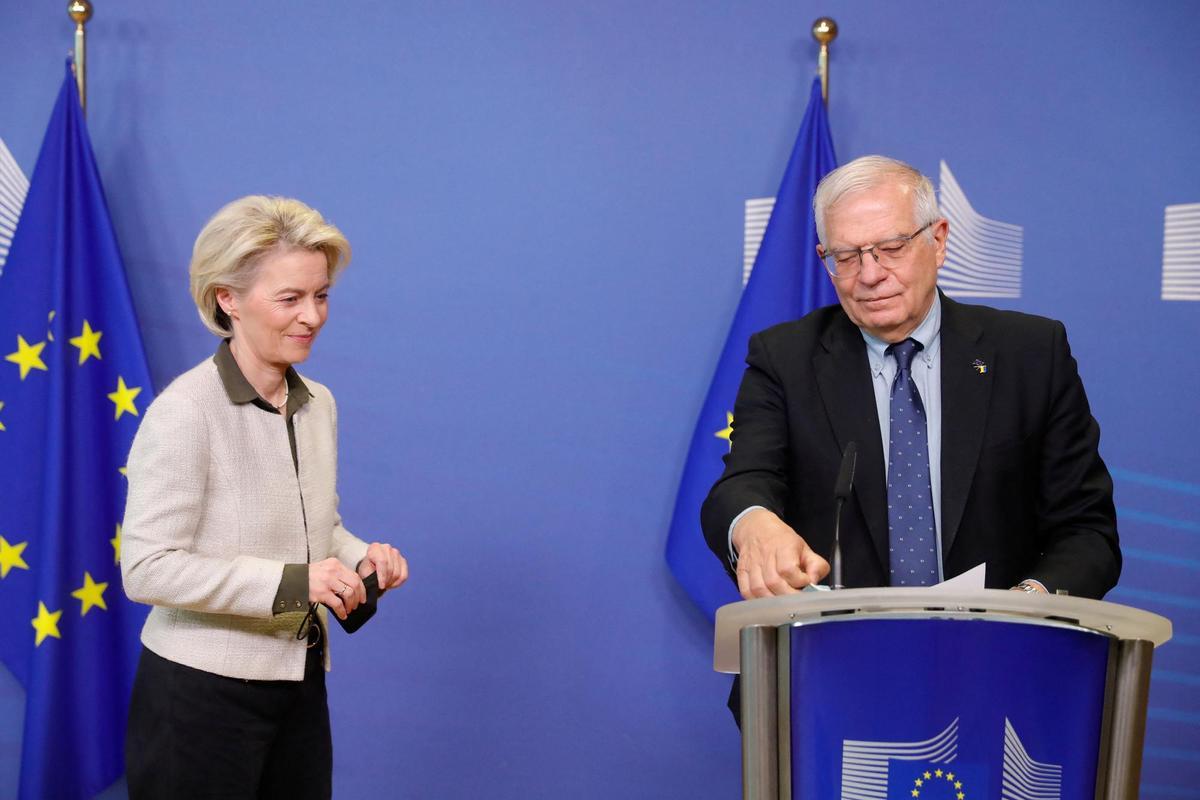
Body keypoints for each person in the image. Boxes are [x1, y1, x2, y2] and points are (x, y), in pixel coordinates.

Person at [702, 155, 1120, 606]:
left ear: (938, 241)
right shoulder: (785, 357)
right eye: (846, 256)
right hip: (833, 653)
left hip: (994, 655)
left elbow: (1087, 531)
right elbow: (742, 483)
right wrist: (752, 522)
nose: (870, 274)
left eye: (893, 248)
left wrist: (1023, 606)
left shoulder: (1031, 353)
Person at [121, 195, 409, 799]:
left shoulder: (319, 403)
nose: (312, 316)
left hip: (300, 683)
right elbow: (146, 568)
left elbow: (314, 530)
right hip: (198, 696)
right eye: (290, 298)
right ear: (228, 299)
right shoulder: (184, 412)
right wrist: (295, 583)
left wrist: (361, 557)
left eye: (321, 294)